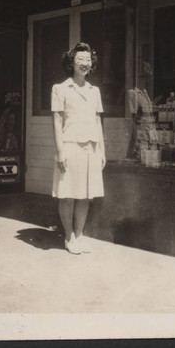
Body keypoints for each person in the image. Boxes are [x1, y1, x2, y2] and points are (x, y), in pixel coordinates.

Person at [51, 42, 106, 255]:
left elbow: (97, 121)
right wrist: (60, 150)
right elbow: (57, 121)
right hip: (70, 146)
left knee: (85, 195)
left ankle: (80, 235)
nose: (85, 63)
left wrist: (101, 150)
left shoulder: (95, 91)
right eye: (80, 60)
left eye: (88, 60)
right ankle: (68, 236)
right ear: (71, 62)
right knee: (67, 194)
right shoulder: (60, 89)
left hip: (90, 148)